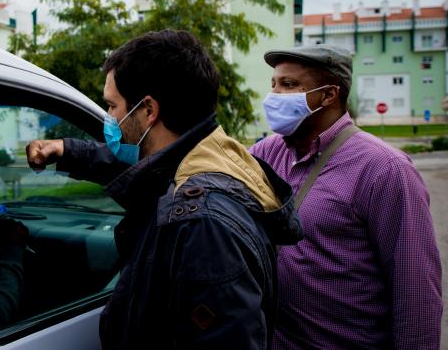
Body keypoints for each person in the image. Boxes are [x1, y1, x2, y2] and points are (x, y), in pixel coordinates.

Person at [27, 30, 302, 350]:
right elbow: (142, 170)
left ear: (148, 110)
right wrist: (66, 150)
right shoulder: (207, 155)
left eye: (112, 106)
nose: (109, 118)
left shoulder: (204, 224)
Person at [249, 44, 442, 349]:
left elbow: (415, 287)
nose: (273, 96)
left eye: (289, 84)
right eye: (273, 84)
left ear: (329, 95)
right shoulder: (265, 154)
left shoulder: (385, 169)